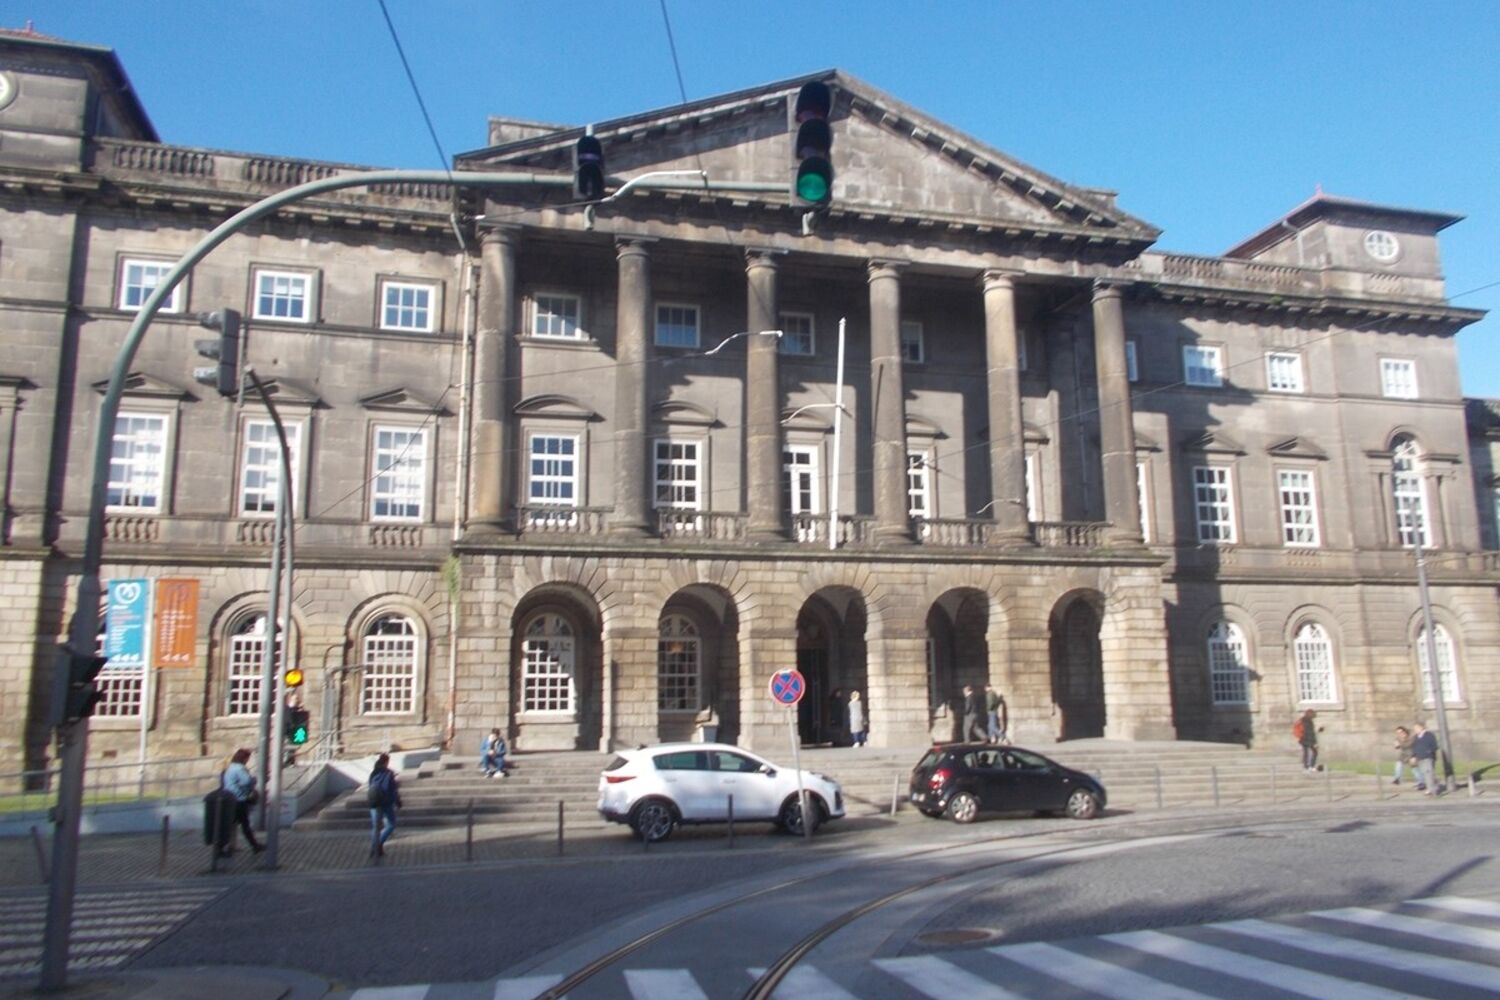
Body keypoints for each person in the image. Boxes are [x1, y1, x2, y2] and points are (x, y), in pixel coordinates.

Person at [221, 748, 264, 856]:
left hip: (230, 798)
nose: (248, 760)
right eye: (247, 758)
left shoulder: (231, 767)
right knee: (244, 825)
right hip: (239, 800)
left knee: (233, 825)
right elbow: (247, 781)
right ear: (244, 758)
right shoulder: (239, 768)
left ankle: (229, 847)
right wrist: (254, 780)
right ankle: (254, 846)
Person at [367, 752, 402, 857]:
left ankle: (375, 848)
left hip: (374, 802)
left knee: (375, 827)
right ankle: (377, 845)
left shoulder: (373, 773)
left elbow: (370, 786)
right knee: (391, 824)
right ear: (386, 762)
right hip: (386, 802)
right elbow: (393, 790)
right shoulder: (389, 773)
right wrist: (397, 801)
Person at [1410, 721, 1440, 796]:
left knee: (1428, 773)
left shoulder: (1429, 735)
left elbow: (1434, 746)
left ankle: (1432, 789)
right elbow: (1414, 747)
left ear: (1421, 727)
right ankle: (1431, 787)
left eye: (1416, 728)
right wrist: (1413, 756)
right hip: (1420, 757)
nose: (1415, 730)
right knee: (1424, 773)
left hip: (1428, 757)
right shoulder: (1416, 737)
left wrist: (1429, 751)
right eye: (1414, 728)